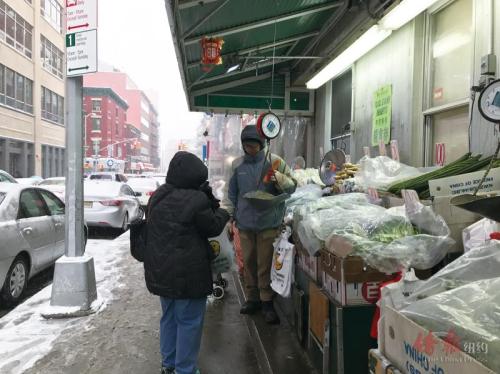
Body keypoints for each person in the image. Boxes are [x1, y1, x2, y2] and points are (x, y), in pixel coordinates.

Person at [143, 151, 230, 374]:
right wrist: (222, 212)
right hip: (189, 274)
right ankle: (185, 369)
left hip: (162, 271)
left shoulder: (158, 196)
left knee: (170, 318)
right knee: (189, 322)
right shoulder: (196, 199)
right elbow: (211, 226)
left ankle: (169, 365)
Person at [226, 125, 297, 324]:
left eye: (254, 145)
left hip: (269, 222)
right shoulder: (237, 165)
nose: (251, 149)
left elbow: (292, 188)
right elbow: (231, 195)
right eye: (247, 146)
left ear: (263, 144)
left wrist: (280, 178)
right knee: (248, 262)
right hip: (245, 223)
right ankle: (252, 299)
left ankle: (267, 302)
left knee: (265, 264)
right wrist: (230, 218)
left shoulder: (276, 162)